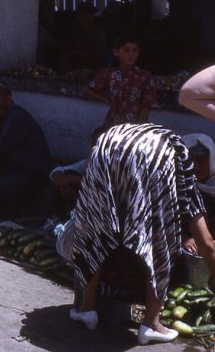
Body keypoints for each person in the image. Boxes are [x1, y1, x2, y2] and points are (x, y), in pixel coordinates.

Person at [69, 123, 215, 345]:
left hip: (110, 144)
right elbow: (207, 243)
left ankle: (86, 309)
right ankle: (151, 325)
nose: (198, 169)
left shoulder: (168, 150)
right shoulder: (179, 164)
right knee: (160, 237)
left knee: (97, 226)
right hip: (150, 152)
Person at [85, 34, 157, 128]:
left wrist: (138, 130)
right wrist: (107, 100)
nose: (131, 54)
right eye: (126, 50)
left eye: (134, 50)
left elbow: (145, 108)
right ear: (116, 52)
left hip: (134, 126)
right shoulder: (109, 74)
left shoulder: (145, 77)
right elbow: (88, 89)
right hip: (111, 125)